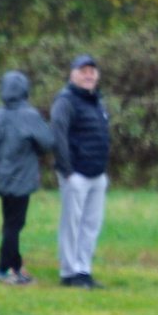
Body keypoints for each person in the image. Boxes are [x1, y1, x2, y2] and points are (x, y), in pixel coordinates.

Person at [0, 70, 57, 286]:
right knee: (14, 224)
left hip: (0, 177)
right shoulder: (29, 115)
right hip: (22, 179)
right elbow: (48, 142)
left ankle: (12, 265)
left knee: (10, 223)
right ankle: (7, 270)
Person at [50, 53, 110, 289]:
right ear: (72, 75)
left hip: (97, 174)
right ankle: (69, 272)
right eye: (83, 71)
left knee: (91, 224)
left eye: (92, 71)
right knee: (71, 224)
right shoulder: (65, 101)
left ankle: (84, 270)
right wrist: (67, 171)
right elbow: (58, 135)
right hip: (75, 174)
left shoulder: (97, 101)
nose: (88, 75)